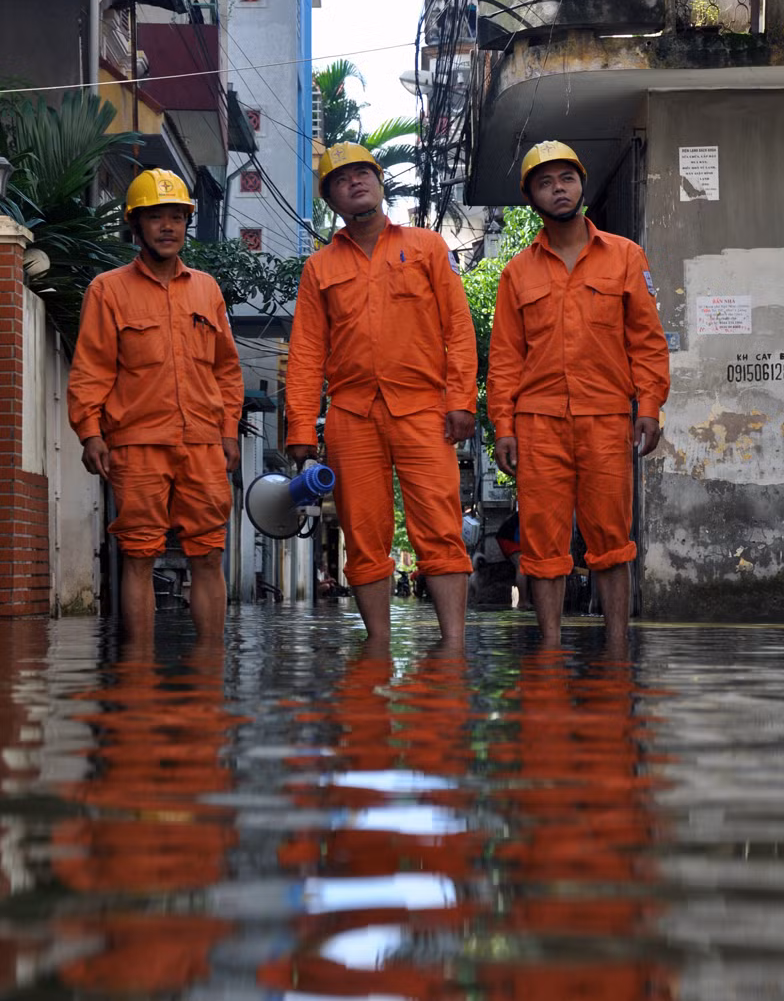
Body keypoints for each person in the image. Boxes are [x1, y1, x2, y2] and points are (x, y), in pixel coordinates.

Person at [286, 143, 478, 648]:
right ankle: (377, 647)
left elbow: (458, 328)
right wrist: (301, 426)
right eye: (341, 178)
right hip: (351, 415)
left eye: (363, 173)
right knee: (362, 533)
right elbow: (306, 352)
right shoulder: (319, 268)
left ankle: (453, 646)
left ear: (379, 181)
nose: (355, 182)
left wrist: (461, 400)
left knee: (439, 525)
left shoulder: (427, 247)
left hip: (424, 409)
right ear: (331, 198)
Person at [488, 140, 670, 648]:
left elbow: (647, 340)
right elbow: (505, 359)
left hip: (606, 418)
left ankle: (616, 648)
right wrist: (503, 426)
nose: (558, 189)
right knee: (542, 544)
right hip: (538, 424)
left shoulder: (625, 256)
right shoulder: (516, 272)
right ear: (531, 198)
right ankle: (549, 649)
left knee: (611, 539)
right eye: (545, 183)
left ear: (582, 185)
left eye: (566, 178)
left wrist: (649, 406)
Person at [67, 169, 244, 642]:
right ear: (136, 225)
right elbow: (91, 368)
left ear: (187, 223)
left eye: (177, 217)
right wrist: (90, 433)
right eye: (155, 217)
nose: (167, 227)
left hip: (203, 443)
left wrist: (229, 432)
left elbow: (226, 369)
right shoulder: (107, 290)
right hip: (137, 441)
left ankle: (209, 665)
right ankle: (138, 669)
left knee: (208, 553)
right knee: (139, 554)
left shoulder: (207, 289)